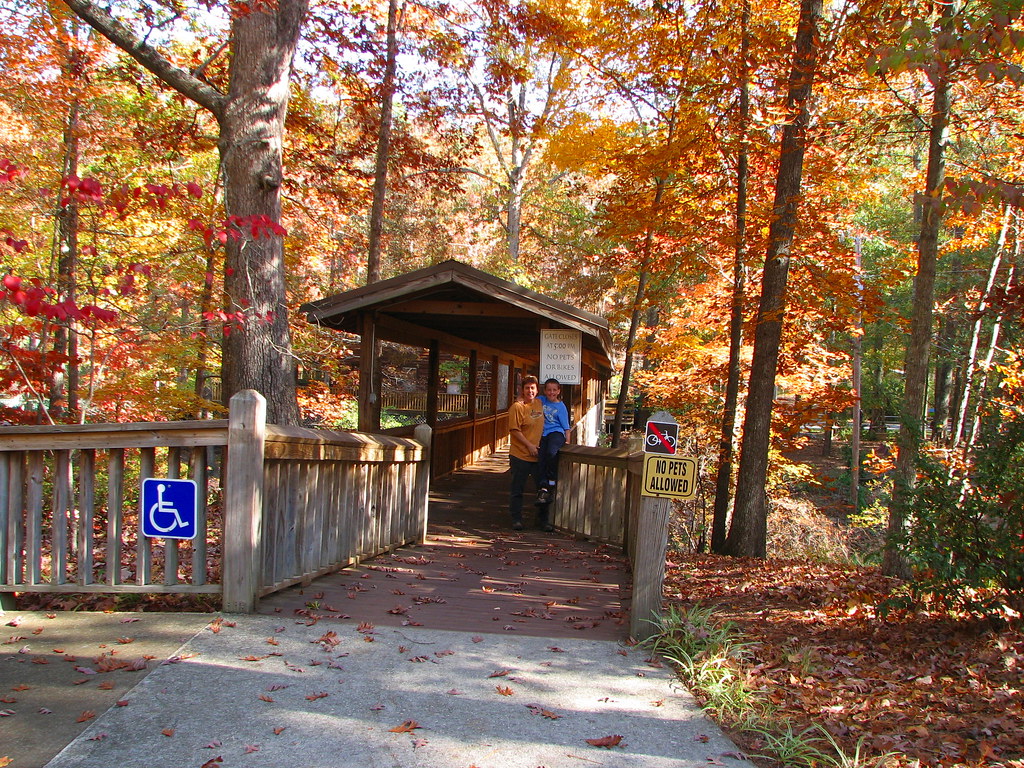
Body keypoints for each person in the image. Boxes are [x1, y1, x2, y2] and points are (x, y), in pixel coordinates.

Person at [507, 375, 544, 531]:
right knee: (517, 489)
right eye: (527, 388)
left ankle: (542, 520)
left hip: (537, 455)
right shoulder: (517, 407)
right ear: (522, 390)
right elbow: (514, 430)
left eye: (532, 388)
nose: (530, 391)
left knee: (542, 490)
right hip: (520, 454)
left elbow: (554, 398)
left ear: (537, 390)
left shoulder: (540, 403)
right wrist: (529, 445)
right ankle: (516, 519)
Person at [535, 378, 570, 528]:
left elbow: (566, 427)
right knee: (541, 457)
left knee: (551, 453)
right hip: (543, 434)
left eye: (554, 390)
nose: (551, 393)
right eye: (549, 390)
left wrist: (567, 441)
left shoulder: (561, 406)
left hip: (556, 433)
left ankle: (551, 480)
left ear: (559, 391)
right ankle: (543, 487)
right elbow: (526, 397)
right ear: (545, 391)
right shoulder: (541, 400)